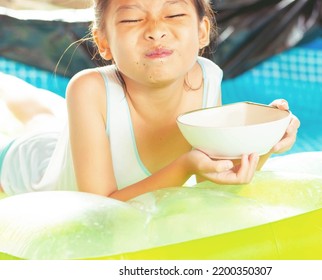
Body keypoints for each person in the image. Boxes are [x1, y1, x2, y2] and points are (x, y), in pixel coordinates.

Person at [0, 0, 300, 201]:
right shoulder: (88, 89)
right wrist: (185, 167)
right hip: (28, 167)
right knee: (28, 125)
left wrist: (265, 140)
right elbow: (100, 209)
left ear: (202, 31)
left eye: (174, 14)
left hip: (67, 145)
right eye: (132, 19)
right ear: (103, 42)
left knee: (43, 117)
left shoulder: (207, 76)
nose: (156, 31)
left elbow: (218, 175)